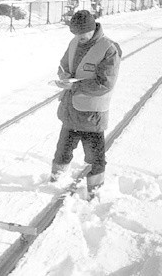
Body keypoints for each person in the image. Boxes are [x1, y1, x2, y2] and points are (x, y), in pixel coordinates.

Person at [51, 10, 122, 198]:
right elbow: (64, 65)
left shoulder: (109, 49)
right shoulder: (74, 42)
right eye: (75, 33)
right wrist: (64, 76)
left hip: (92, 115)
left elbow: (105, 83)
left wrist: (76, 85)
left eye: (83, 33)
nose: (79, 37)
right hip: (70, 111)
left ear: (92, 29)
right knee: (62, 150)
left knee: (95, 157)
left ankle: (95, 191)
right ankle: (54, 181)